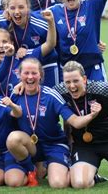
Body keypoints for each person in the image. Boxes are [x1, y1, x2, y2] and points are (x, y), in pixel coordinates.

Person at [6, 58, 101, 188]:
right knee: (13, 144)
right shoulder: (16, 95)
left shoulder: (51, 95)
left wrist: (92, 115)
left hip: (54, 144)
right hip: (31, 145)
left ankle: (81, 172)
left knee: (58, 184)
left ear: (41, 75)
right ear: (19, 75)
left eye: (34, 73)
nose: (30, 77)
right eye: (26, 73)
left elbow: (75, 121)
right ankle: (31, 169)